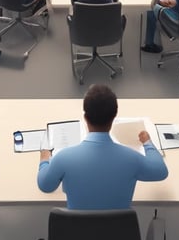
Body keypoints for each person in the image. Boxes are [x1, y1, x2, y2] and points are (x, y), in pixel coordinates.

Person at [37, 84, 168, 210]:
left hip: (77, 231)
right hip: (119, 230)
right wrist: (147, 143)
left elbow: (45, 186)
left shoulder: (63, 158)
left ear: (85, 118)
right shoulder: (132, 158)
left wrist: (44, 159)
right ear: (114, 116)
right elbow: (161, 171)